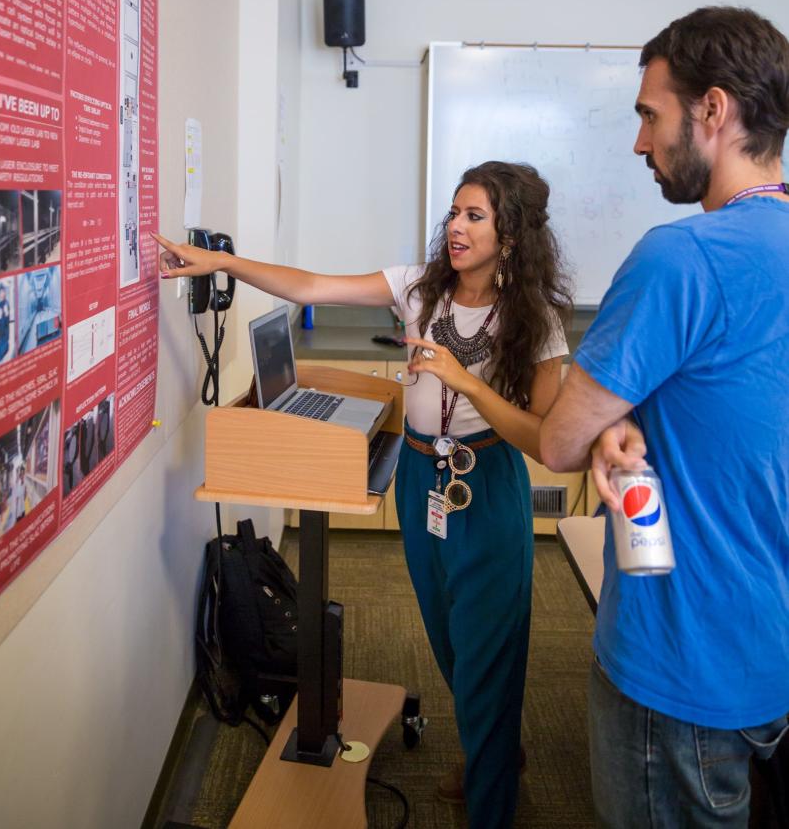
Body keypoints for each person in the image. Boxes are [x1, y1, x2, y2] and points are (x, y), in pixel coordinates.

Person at [154, 160, 571, 829]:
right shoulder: (419, 287)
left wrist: (466, 383)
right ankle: (493, 747)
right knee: (452, 642)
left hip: (486, 485)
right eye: (454, 213)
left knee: (490, 649)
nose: (455, 228)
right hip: (418, 480)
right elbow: (311, 282)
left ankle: (493, 797)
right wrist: (217, 264)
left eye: (475, 216)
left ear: (512, 235)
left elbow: (546, 439)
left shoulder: (537, 320)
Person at [539, 6, 789, 828]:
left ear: (713, 111)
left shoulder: (682, 257)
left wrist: (603, 420)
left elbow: (560, 438)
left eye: (651, 115)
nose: (640, 143)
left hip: (683, 664)